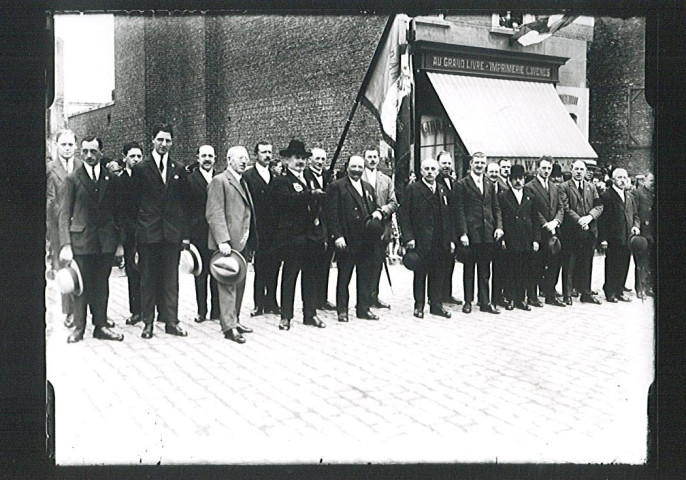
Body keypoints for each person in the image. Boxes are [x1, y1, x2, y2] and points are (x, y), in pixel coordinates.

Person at [58, 136, 125, 343]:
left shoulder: (111, 179)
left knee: (101, 285)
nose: (89, 156)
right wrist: (66, 244)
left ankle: (101, 325)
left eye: (93, 151)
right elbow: (64, 213)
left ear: (101, 153)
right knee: (81, 286)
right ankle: (79, 327)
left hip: (105, 242)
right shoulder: (73, 179)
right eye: (85, 151)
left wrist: (120, 244)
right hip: (82, 241)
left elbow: (118, 212)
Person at [130, 123, 191, 339]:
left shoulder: (179, 169)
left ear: (172, 143)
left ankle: (171, 321)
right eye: (160, 140)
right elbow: (133, 204)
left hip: (171, 234)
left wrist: (184, 235)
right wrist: (138, 233)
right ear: (152, 141)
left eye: (167, 140)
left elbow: (184, 204)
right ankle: (148, 322)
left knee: (170, 279)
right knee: (148, 279)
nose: (164, 144)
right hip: (149, 233)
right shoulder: (140, 168)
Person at [272, 139, 327, 331]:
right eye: (297, 158)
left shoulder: (310, 179)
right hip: (292, 237)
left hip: (311, 235)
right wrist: (311, 195)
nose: (300, 162)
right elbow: (286, 201)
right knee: (290, 276)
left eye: (303, 158)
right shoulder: (281, 181)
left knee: (311, 276)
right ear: (287, 160)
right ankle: (286, 316)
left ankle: (310, 313)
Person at [206, 146, 258, 344]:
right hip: (228, 243)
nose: (244, 161)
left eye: (246, 158)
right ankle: (228, 326)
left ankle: (235, 319)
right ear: (229, 160)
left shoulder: (242, 181)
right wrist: (222, 241)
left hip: (242, 241)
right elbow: (214, 211)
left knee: (240, 281)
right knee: (227, 283)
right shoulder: (220, 181)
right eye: (240, 158)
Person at [326, 155, 382, 322]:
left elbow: (374, 207)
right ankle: (342, 310)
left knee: (365, 276)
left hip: (366, 240)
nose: (357, 170)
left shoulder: (368, 187)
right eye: (353, 166)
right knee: (344, 276)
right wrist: (337, 236)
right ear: (347, 167)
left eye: (360, 167)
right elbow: (332, 214)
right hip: (347, 239)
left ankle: (363, 308)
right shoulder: (337, 186)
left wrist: (378, 212)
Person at [398, 158, 455, 319]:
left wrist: (450, 239)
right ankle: (419, 305)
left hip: (439, 238)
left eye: (433, 169)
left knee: (438, 272)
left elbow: (449, 216)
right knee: (420, 272)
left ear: (437, 172)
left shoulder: (443, 190)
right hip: (420, 239)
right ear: (421, 171)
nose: (430, 172)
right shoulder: (413, 189)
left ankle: (436, 305)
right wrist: (408, 237)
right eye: (426, 169)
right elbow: (404, 215)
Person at [455, 152, 504, 314]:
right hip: (471, 233)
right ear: (471, 164)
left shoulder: (490, 184)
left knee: (485, 270)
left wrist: (498, 227)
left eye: (482, 163)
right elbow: (459, 210)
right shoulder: (462, 184)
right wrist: (463, 232)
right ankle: (468, 301)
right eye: (477, 162)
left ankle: (485, 302)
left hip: (487, 233)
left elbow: (495, 208)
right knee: (469, 269)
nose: (479, 165)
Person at [47, 129, 82, 328]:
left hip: (81, 226)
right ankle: (69, 312)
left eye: (70, 144)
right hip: (58, 227)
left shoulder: (81, 166)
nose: (67, 148)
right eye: (63, 144)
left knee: (83, 266)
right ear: (56, 145)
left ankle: (86, 311)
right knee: (65, 269)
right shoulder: (49, 169)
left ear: (75, 146)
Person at [243, 141, 281, 317]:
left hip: (274, 229)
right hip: (258, 229)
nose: (267, 155)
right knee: (260, 266)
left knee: (274, 265)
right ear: (256, 154)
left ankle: (272, 301)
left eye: (269, 152)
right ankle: (259, 303)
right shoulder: (249, 176)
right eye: (264, 152)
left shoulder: (275, 176)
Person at [559, 160, 604, 304]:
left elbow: (599, 206)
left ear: (585, 171)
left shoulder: (591, 187)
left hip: (589, 231)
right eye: (576, 169)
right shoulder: (564, 187)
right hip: (571, 232)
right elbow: (565, 208)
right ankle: (567, 294)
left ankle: (586, 293)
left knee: (587, 262)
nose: (579, 172)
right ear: (571, 170)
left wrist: (589, 218)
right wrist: (580, 220)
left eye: (581, 169)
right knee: (569, 263)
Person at [498, 164, 540, 310]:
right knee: (510, 269)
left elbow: (535, 220)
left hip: (526, 239)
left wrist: (535, 239)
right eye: (514, 178)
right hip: (510, 239)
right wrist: (502, 238)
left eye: (520, 178)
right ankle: (510, 298)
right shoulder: (503, 197)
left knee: (524, 269)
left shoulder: (530, 196)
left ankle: (521, 299)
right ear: (509, 180)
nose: (518, 181)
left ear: (524, 180)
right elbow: (500, 218)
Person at [524, 157, 564, 307]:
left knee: (554, 264)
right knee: (536, 265)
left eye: (549, 168)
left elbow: (561, 207)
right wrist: (545, 224)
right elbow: (533, 210)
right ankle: (532, 296)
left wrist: (556, 221)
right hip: (539, 231)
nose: (546, 171)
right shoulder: (530, 186)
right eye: (544, 168)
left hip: (554, 231)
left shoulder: (554, 187)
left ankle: (550, 294)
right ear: (538, 168)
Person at [187, 144, 220, 323]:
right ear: (198, 158)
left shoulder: (221, 178)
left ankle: (216, 310)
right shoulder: (190, 179)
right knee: (201, 273)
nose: (207, 159)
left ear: (215, 158)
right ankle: (202, 311)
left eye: (210, 156)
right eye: (204, 156)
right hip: (198, 232)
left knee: (217, 272)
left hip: (217, 233)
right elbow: (185, 208)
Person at [362, 147, 398, 309]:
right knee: (362, 264)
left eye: (375, 157)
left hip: (381, 227)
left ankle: (373, 296)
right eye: (369, 157)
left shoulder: (386, 179)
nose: (372, 160)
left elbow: (393, 202)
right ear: (364, 158)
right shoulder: (357, 176)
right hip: (362, 227)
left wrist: (382, 211)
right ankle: (361, 299)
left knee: (377, 263)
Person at [598, 168, 641, 302]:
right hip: (613, 237)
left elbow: (635, 215)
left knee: (625, 264)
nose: (622, 180)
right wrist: (603, 238)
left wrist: (635, 226)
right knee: (612, 264)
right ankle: (610, 291)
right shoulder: (606, 195)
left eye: (624, 178)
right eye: (619, 178)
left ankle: (619, 290)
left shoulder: (629, 196)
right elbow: (603, 219)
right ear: (613, 180)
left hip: (627, 237)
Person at [304, 147, 336, 311]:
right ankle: (312, 300)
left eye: (323, 159)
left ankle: (322, 298)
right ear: (310, 160)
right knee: (313, 264)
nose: (320, 162)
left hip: (327, 225)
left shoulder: (328, 177)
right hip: (312, 225)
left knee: (325, 263)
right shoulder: (305, 176)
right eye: (317, 159)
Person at [119, 141, 143, 325]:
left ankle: (153, 308)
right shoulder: (119, 181)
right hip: (129, 234)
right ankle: (136, 311)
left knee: (149, 272)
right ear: (125, 157)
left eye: (139, 156)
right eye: (132, 156)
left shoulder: (146, 177)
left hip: (147, 231)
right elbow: (118, 209)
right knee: (133, 272)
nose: (136, 159)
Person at [435, 150, 462, 306]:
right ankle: (436, 295)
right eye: (444, 163)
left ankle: (447, 293)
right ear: (438, 164)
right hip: (440, 230)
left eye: (448, 163)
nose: (446, 166)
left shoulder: (453, 181)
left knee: (449, 263)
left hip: (452, 229)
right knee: (439, 264)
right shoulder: (435, 181)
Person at [486, 161, 507, 307]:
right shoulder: (484, 186)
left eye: (496, 171)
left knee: (500, 268)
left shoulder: (505, 188)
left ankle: (498, 296)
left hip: (500, 232)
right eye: (491, 171)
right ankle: (485, 299)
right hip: (485, 233)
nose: (494, 174)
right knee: (485, 269)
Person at [631, 172, 654, 298]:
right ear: (644, 181)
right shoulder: (638, 193)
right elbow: (634, 213)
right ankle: (640, 288)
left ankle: (649, 287)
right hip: (642, 234)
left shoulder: (655, 194)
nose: (653, 184)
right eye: (651, 181)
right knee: (641, 263)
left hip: (653, 233)